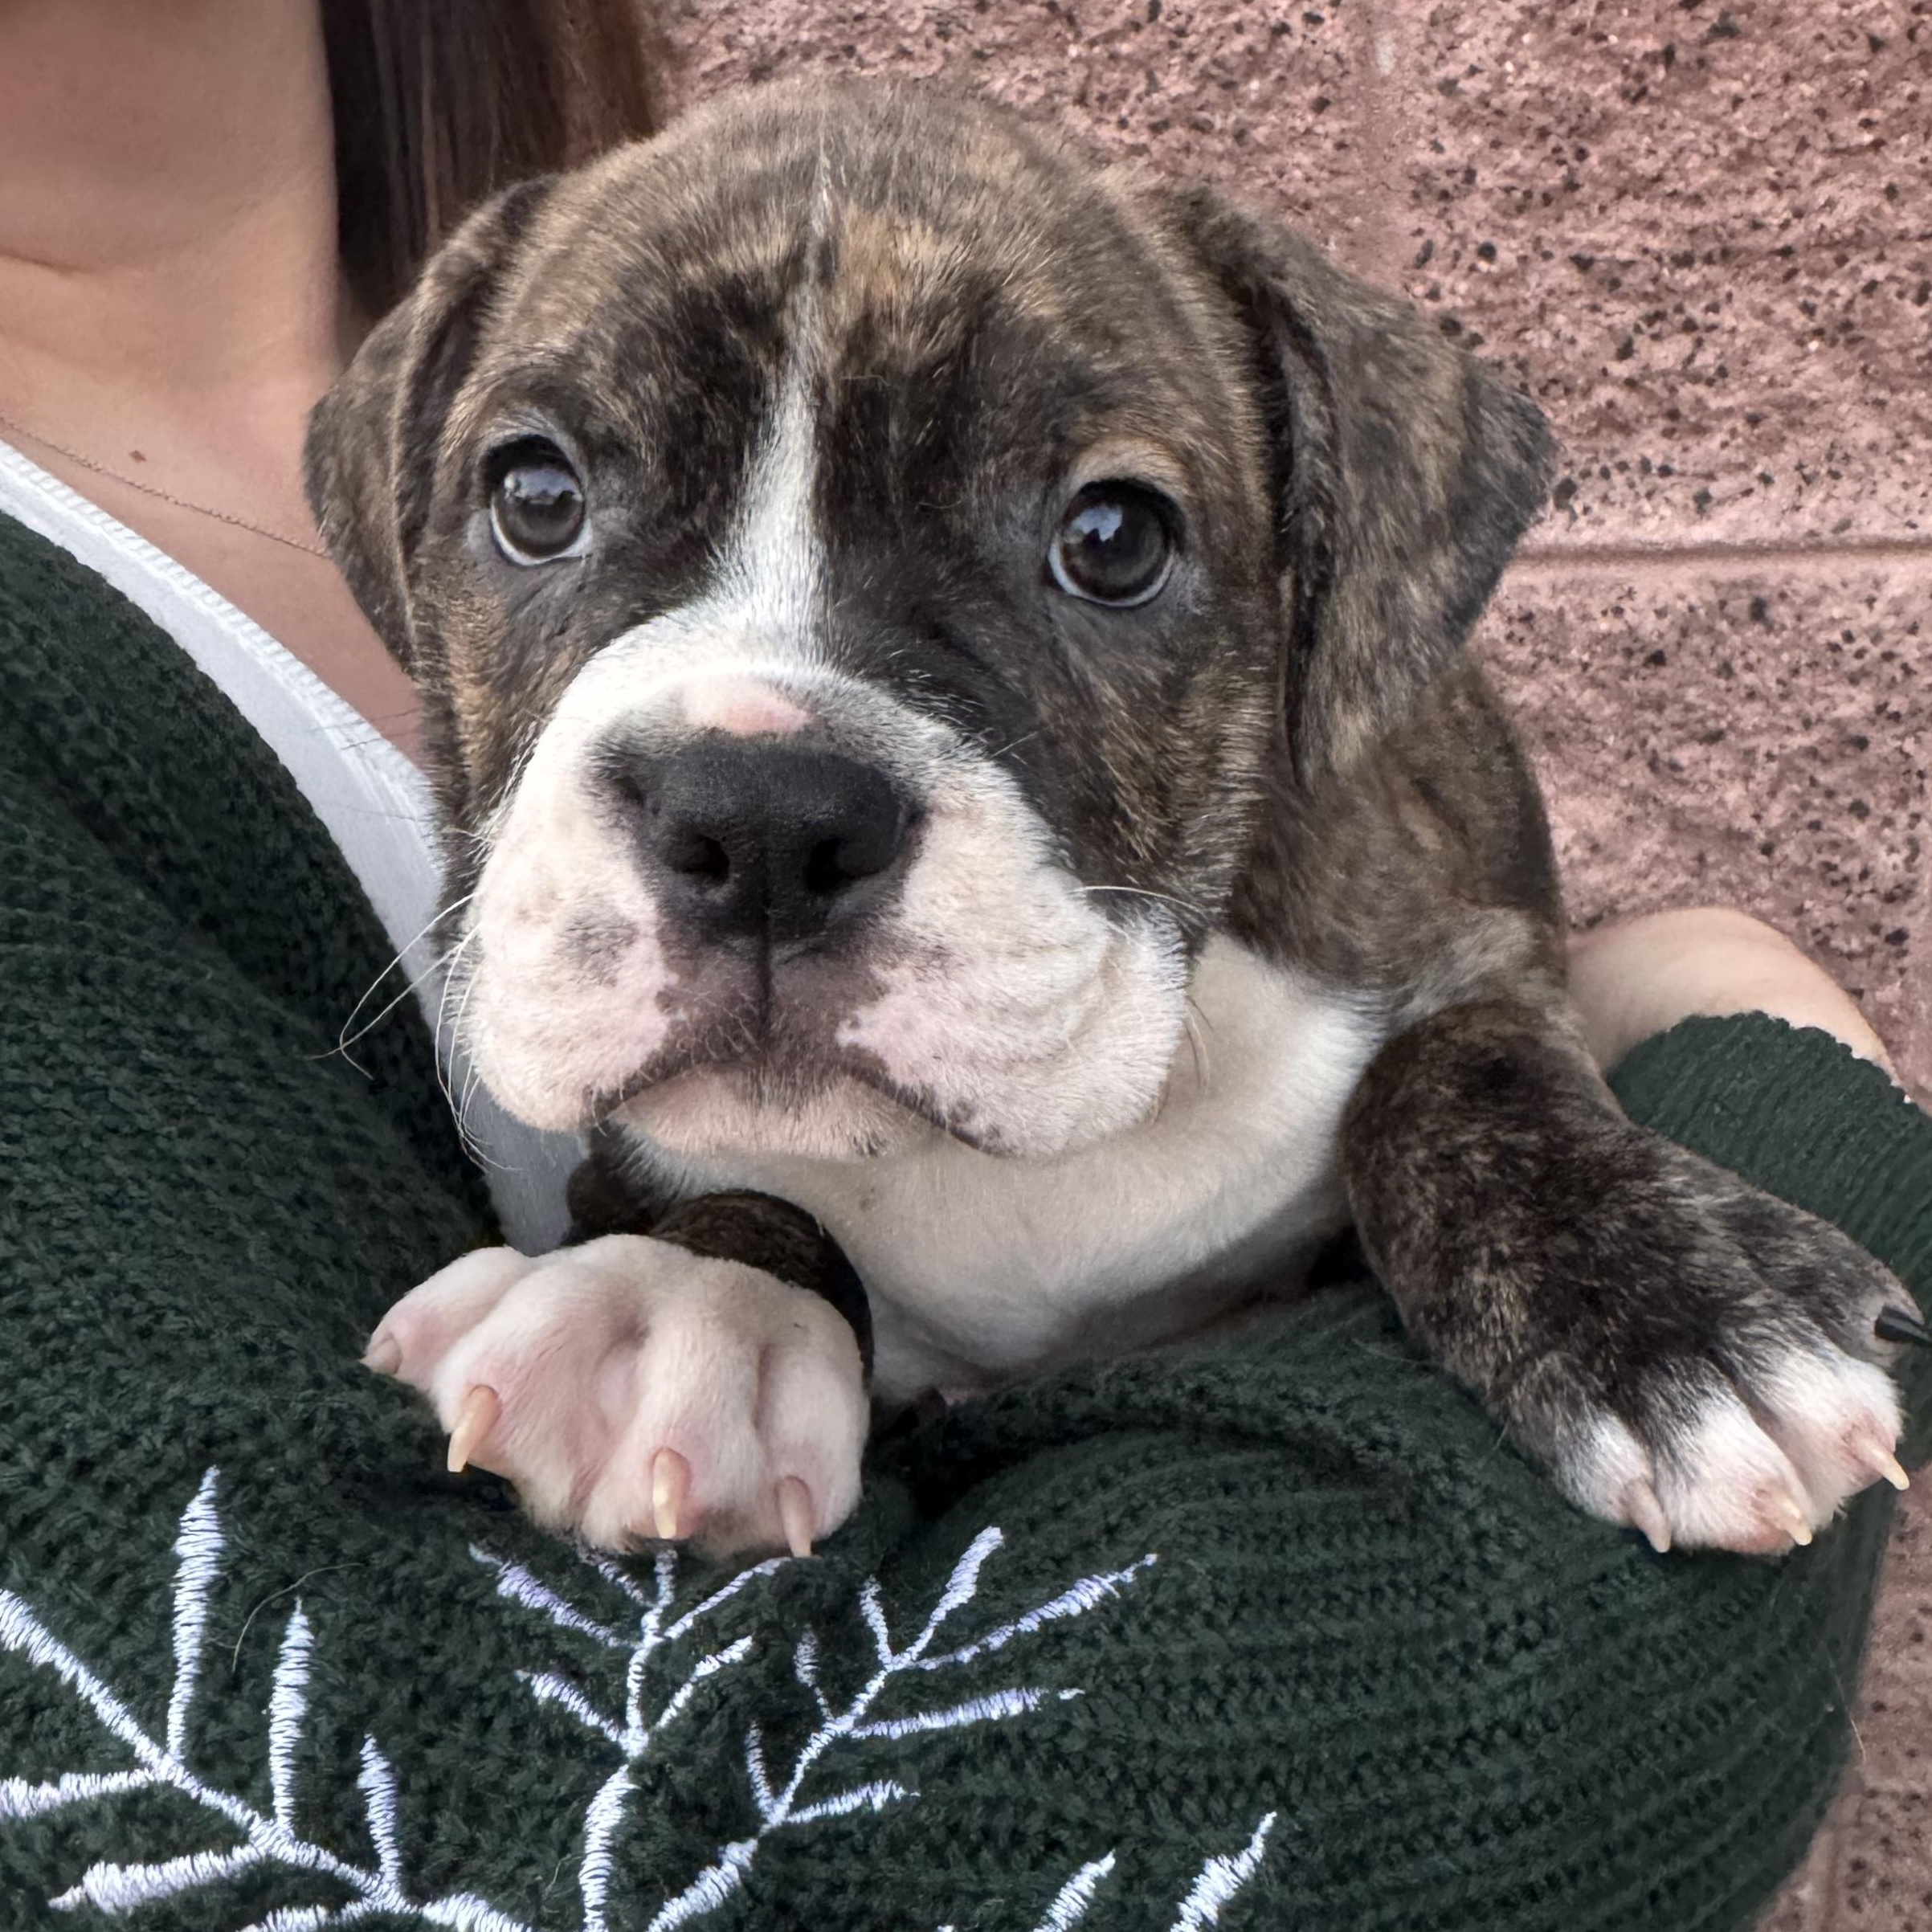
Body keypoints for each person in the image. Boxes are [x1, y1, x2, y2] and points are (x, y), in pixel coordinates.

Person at [0, 6, 1923, 1929]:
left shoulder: (1366, 940)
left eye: (1102, 540)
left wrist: (1532, 1154)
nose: (763, 808)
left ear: (1340, 607)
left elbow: (1466, 980)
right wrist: (1761, 1043)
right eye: (545, 504)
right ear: (415, 520)